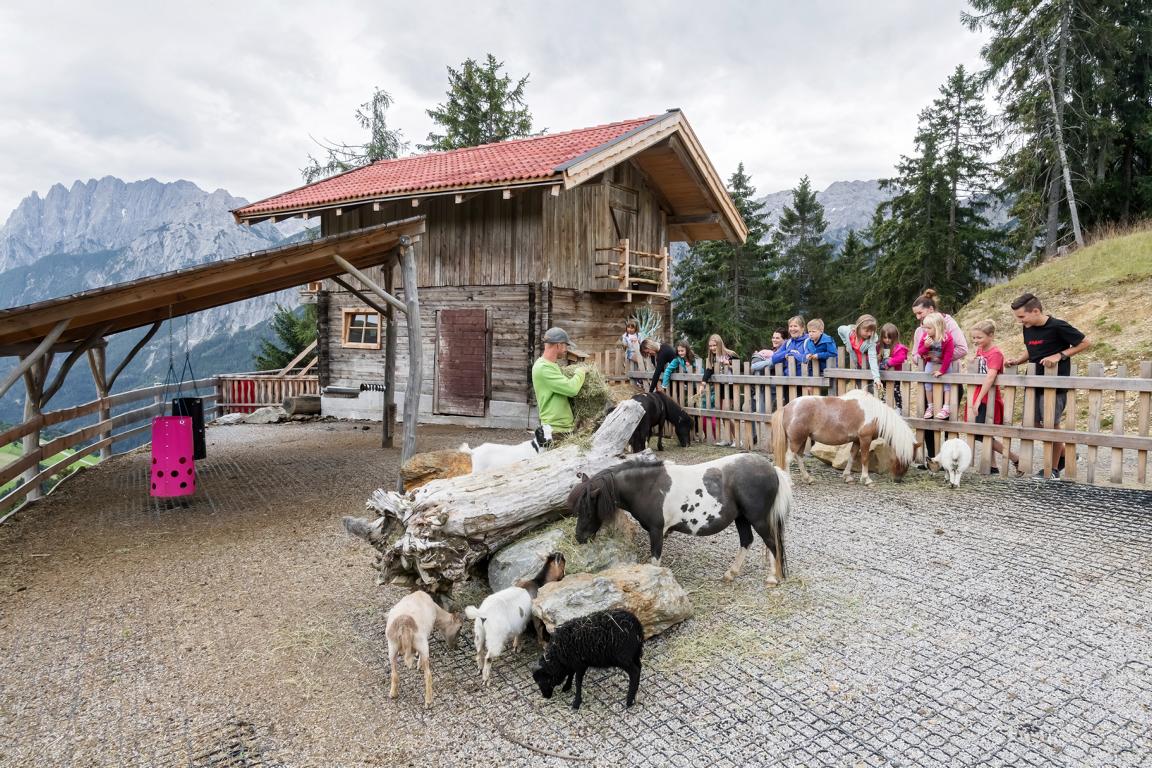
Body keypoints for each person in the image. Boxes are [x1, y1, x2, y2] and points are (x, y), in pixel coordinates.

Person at [1005, 293, 1091, 480]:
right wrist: (1018, 360)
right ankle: (1066, 455)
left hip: (1055, 384)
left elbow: (1085, 342)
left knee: (1051, 425)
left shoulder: (1058, 326)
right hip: (1033, 382)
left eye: (1022, 316)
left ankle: (1052, 469)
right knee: (1033, 423)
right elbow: (1032, 348)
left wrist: (1060, 356)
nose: (1020, 321)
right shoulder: (1028, 327)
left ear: (1036, 311)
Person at [967, 320, 1023, 476]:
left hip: (987, 397)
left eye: (979, 338)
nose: (976, 341)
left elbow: (991, 377)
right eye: (974, 338)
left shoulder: (995, 353)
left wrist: (978, 400)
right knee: (985, 433)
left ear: (991, 336)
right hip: (979, 394)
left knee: (981, 433)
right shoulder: (981, 350)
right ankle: (993, 466)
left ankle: (1016, 459)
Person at [531, 327, 587, 435]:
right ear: (558, 345)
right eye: (566, 345)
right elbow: (572, 389)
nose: (566, 349)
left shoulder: (551, 365)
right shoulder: (543, 368)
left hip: (562, 428)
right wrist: (580, 372)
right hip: (554, 431)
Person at [917, 312, 956, 420]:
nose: (926, 330)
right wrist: (925, 346)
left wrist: (942, 370)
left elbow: (949, 356)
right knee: (927, 383)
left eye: (929, 328)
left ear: (938, 327)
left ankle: (946, 408)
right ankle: (930, 407)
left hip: (944, 364)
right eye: (925, 327)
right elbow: (919, 352)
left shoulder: (947, 338)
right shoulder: (926, 337)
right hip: (931, 363)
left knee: (947, 385)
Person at [704, 333, 738, 447]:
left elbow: (741, 368)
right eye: (711, 346)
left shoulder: (730, 354)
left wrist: (729, 363)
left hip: (730, 386)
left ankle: (737, 439)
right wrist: (703, 381)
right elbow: (708, 370)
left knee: (726, 413)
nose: (712, 348)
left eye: (714, 345)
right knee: (722, 414)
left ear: (719, 344)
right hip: (721, 387)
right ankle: (728, 439)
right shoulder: (712, 358)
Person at [837, 314, 881, 393]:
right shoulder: (849, 332)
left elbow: (872, 358)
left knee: (869, 391)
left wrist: (876, 378)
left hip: (868, 366)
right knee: (860, 389)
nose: (869, 334)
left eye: (872, 331)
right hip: (856, 365)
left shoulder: (870, 342)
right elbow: (840, 329)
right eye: (867, 331)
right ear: (858, 328)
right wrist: (847, 343)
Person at [878, 323, 908, 412]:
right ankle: (883, 406)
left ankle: (899, 407)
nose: (887, 340)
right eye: (885, 337)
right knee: (883, 391)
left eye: (889, 338)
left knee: (896, 391)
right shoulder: (880, 347)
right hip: (883, 375)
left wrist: (889, 362)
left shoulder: (899, 348)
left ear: (895, 337)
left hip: (894, 375)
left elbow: (901, 358)